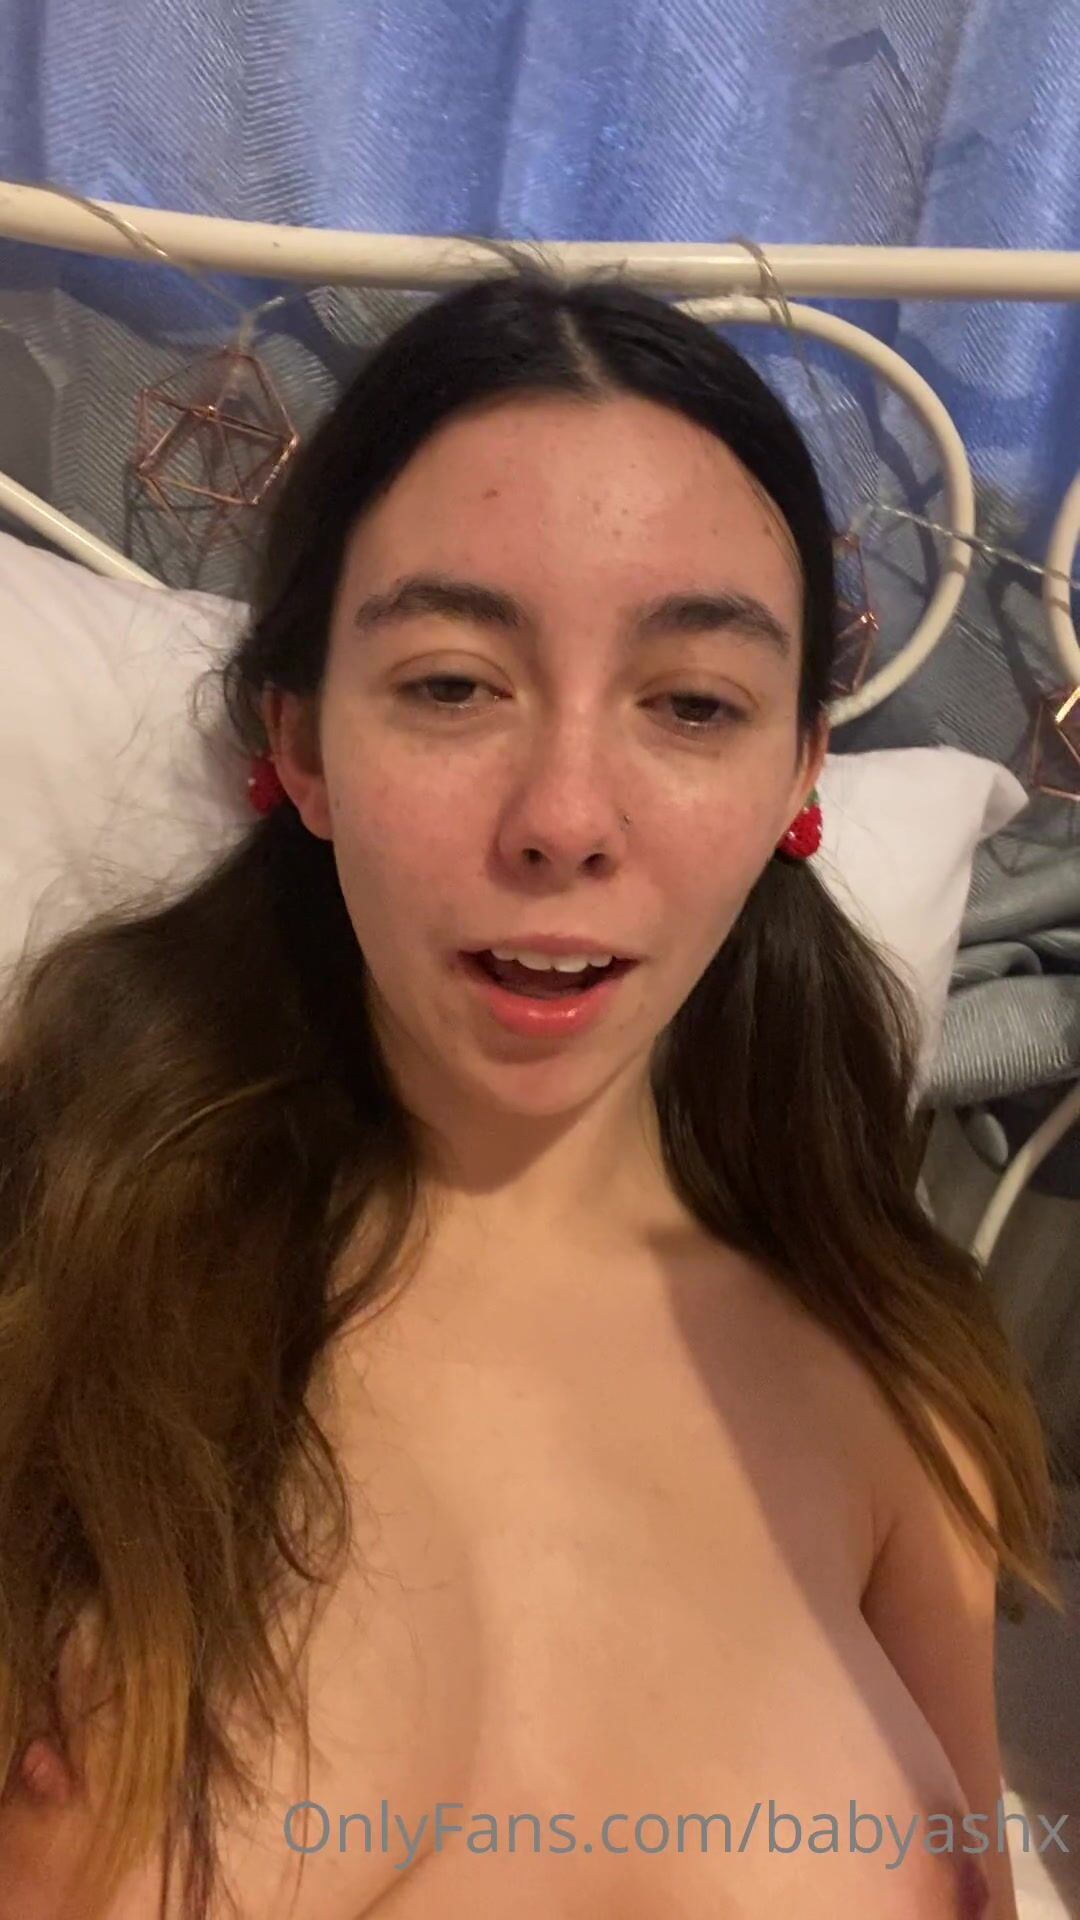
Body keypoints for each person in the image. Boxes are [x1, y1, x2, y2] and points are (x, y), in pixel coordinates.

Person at [0, 266, 1059, 1920]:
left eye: (692, 704)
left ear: (798, 776)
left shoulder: (893, 1382)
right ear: (304, 749)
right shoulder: (51, 1287)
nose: (565, 816)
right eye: (451, 684)